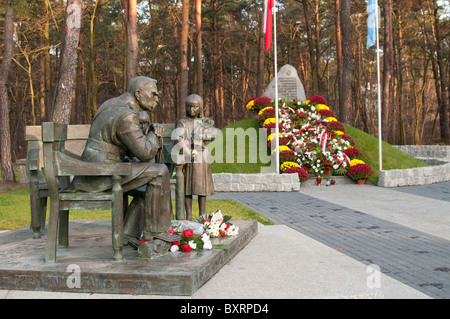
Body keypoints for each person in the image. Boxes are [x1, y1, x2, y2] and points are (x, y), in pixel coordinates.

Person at [70, 76, 180, 245]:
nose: (157, 99)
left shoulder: (110, 104)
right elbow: (145, 152)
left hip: (94, 170)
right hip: (101, 174)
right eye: (153, 94)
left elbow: (124, 144)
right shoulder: (126, 115)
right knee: (160, 171)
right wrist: (153, 133)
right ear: (138, 93)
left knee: (146, 187)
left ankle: (128, 234)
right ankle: (158, 232)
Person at [175, 94, 218, 220]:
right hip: (188, 156)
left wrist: (203, 135)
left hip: (202, 155)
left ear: (200, 107)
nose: (191, 110)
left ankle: (202, 214)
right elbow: (179, 138)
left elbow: (213, 134)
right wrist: (188, 152)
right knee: (188, 187)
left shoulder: (204, 122)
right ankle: (188, 215)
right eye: (189, 107)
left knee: (201, 186)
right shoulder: (182, 123)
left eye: (194, 107)